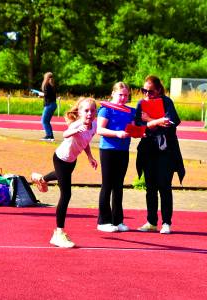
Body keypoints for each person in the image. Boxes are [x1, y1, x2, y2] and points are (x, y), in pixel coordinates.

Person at [31, 97, 98, 248]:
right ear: (80, 112)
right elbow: (65, 134)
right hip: (60, 158)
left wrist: (90, 157)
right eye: (86, 111)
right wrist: (75, 129)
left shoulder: (94, 125)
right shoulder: (77, 124)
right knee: (66, 194)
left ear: (95, 113)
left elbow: (85, 142)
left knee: (59, 177)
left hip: (71, 160)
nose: (89, 113)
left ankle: (41, 178)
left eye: (92, 111)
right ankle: (58, 233)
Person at [135, 75, 185, 234]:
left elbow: (170, 122)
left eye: (150, 91)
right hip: (148, 149)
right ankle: (151, 221)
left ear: (158, 90)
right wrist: (152, 124)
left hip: (166, 150)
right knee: (150, 187)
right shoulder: (141, 103)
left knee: (164, 186)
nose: (147, 94)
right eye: (144, 90)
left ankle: (166, 222)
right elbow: (138, 124)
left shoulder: (166, 102)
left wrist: (150, 120)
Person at [97, 82, 135, 233]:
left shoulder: (129, 111)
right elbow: (100, 130)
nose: (123, 98)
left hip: (123, 151)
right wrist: (117, 134)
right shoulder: (106, 109)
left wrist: (138, 132)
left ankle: (117, 220)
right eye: (120, 95)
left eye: (126, 95)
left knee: (119, 186)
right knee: (107, 185)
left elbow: (132, 128)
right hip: (108, 150)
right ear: (113, 94)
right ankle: (103, 221)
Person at [40, 72, 57, 141]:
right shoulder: (52, 85)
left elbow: (46, 95)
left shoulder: (46, 85)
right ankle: (50, 135)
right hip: (53, 104)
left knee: (44, 121)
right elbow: (49, 95)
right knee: (47, 121)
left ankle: (49, 136)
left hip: (49, 105)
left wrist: (41, 95)